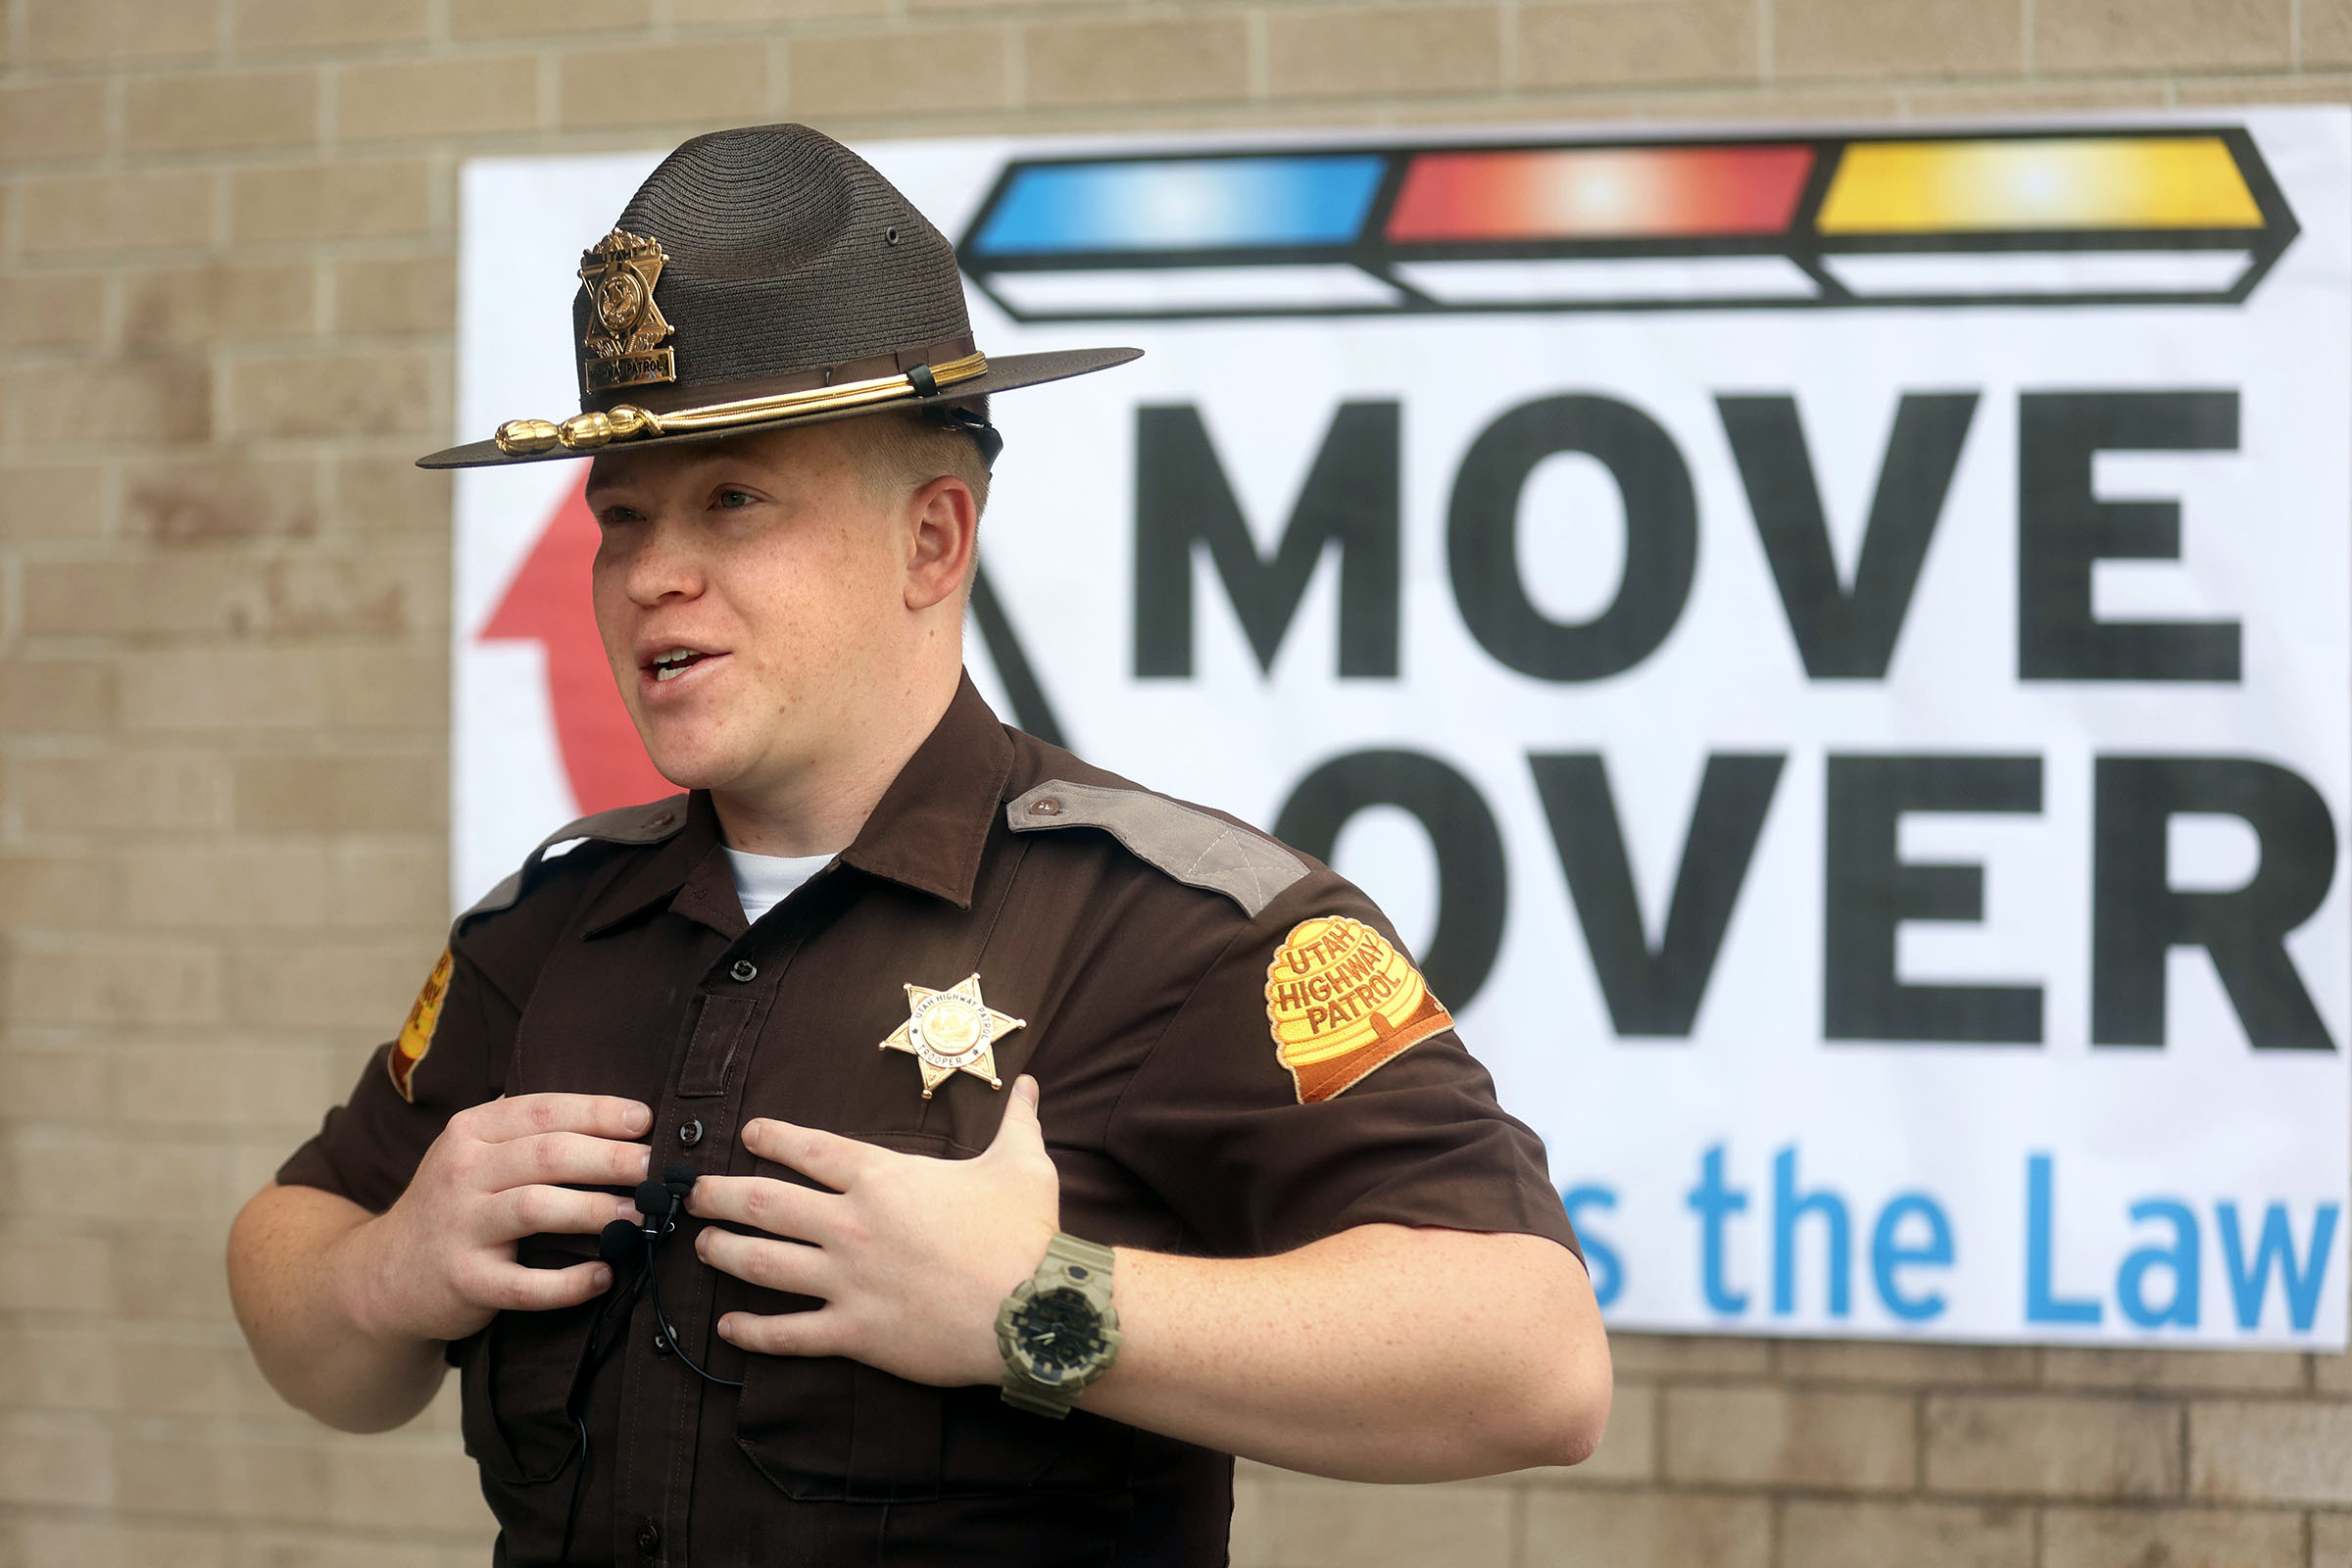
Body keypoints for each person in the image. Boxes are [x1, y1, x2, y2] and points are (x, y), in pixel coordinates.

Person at [226, 122, 1609, 1567]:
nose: (650, 575)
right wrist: (389, 1270)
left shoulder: (1177, 931)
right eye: (621, 518)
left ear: (932, 542)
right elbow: (300, 1292)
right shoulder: (549, 929)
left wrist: (1036, 1307)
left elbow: (1532, 1363)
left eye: (733, 501)